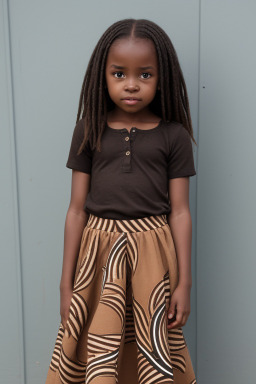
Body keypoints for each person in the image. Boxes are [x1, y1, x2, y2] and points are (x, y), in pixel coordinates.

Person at [45, 18, 197, 384]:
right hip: (98, 256)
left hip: (153, 257)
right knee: (99, 338)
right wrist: (65, 285)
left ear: (163, 79)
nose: (131, 84)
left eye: (145, 75)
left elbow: (179, 212)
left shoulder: (173, 136)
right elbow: (76, 210)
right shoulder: (88, 129)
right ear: (103, 75)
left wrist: (184, 284)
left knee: (152, 339)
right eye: (119, 74)